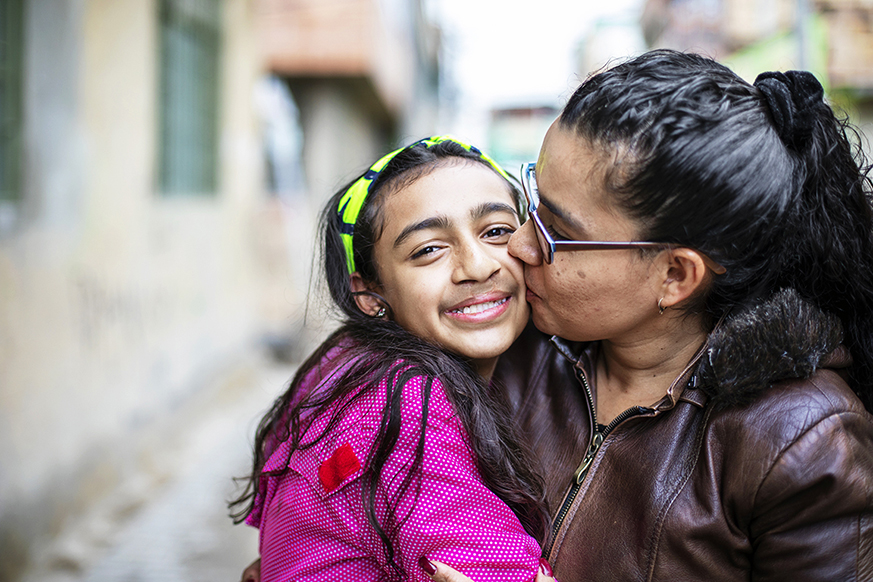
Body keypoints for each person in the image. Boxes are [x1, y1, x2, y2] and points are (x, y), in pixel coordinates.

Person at [425, 50, 873, 581]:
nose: (518, 246)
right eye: (531, 202)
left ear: (676, 276)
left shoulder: (804, 443)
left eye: (558, 234)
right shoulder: (505, 342)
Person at [230, 135, 558, 582]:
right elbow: (495, 571)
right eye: (428, 249)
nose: (478, 266)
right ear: (369, 292)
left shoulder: (348, 359)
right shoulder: (404, 404)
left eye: (496, 231)